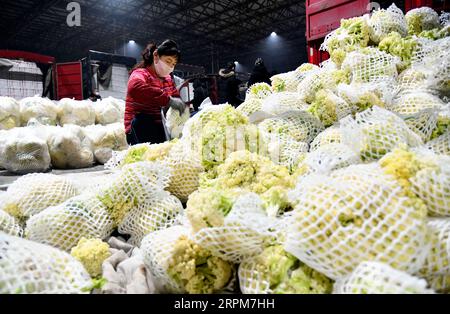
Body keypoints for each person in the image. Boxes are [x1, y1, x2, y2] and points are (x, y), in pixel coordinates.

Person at [125, 40, 185, 145]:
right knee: (144, 120)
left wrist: (181, 108)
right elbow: (135, 87)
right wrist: (168, 100)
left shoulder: (168, 79)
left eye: (173, 64)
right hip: (140, 130)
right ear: (156, 56)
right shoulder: (140, 74)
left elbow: (176, 98)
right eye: (168, 61)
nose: (170, 67)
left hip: (160, 128)